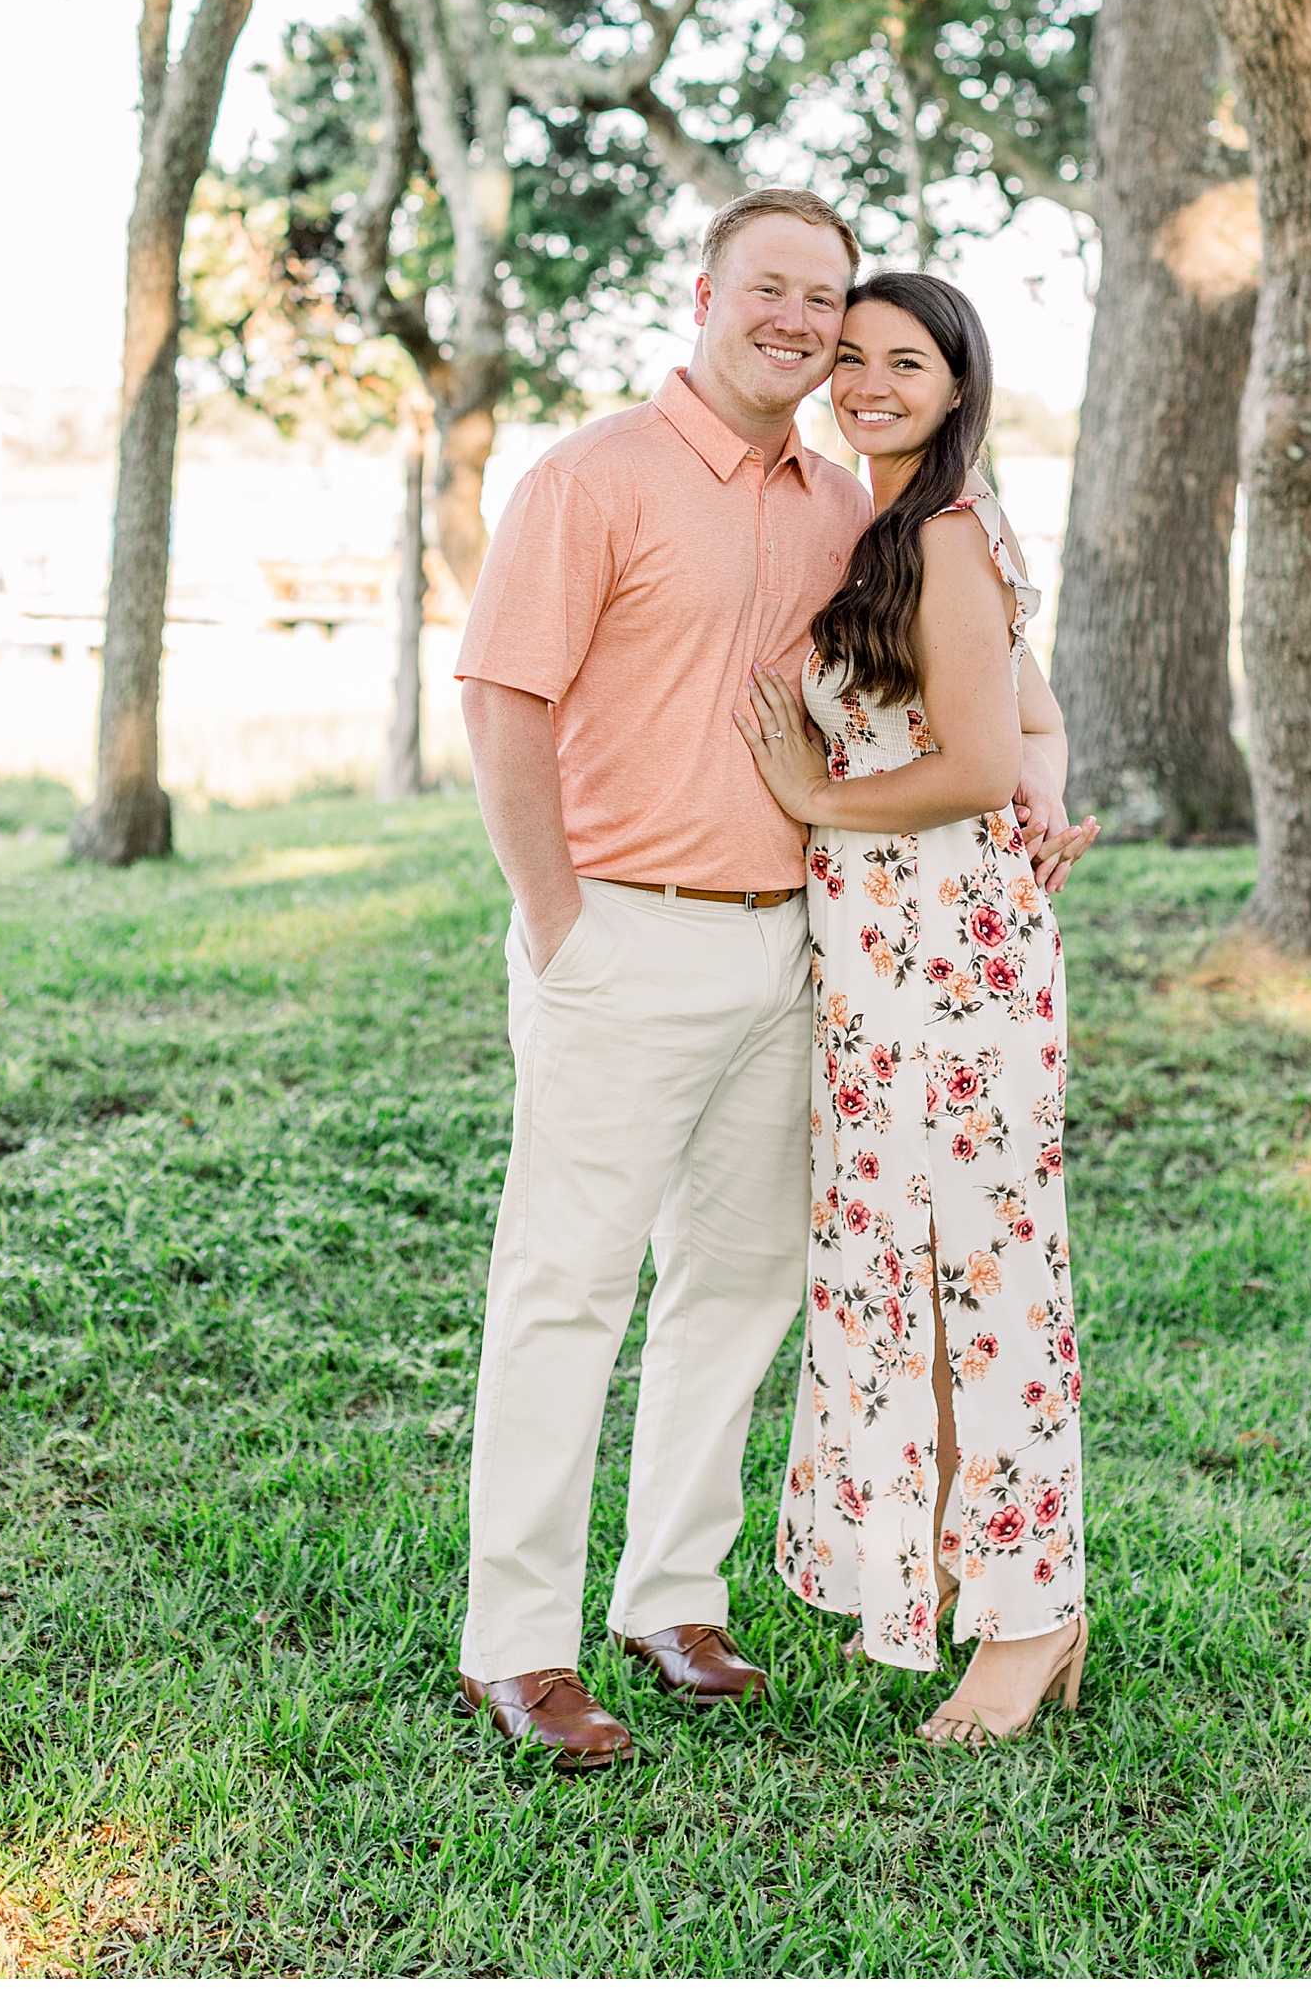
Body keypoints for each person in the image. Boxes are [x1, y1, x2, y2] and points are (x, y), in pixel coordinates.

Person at [453, 193, 1074, 1767]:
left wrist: (1039, 797)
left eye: (827, 300)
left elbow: (995, 687)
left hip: (804, 952)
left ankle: (672, 1598)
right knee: (566, 1292)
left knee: (735, 1289)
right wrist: (557, 919)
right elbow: (503, 698)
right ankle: (518, 1645)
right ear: (707, 292)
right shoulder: (592, 476)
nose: (802, 323)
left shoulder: (849, 506)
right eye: (773, 289)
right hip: (621, 936)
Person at [739, 271, 1098, 1746]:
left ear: (957, 386)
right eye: (851, 355)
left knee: (988, 1291)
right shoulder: (888, 529)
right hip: (882, 970)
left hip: (958, 970)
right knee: (911, 1277)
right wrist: (1048, 799)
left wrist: (815, 794)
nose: (869, 382)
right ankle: (958, 1569)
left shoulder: (946, 529)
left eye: (906, 361)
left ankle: (1032, 1612)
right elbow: (1037, 726)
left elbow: (974, 762)